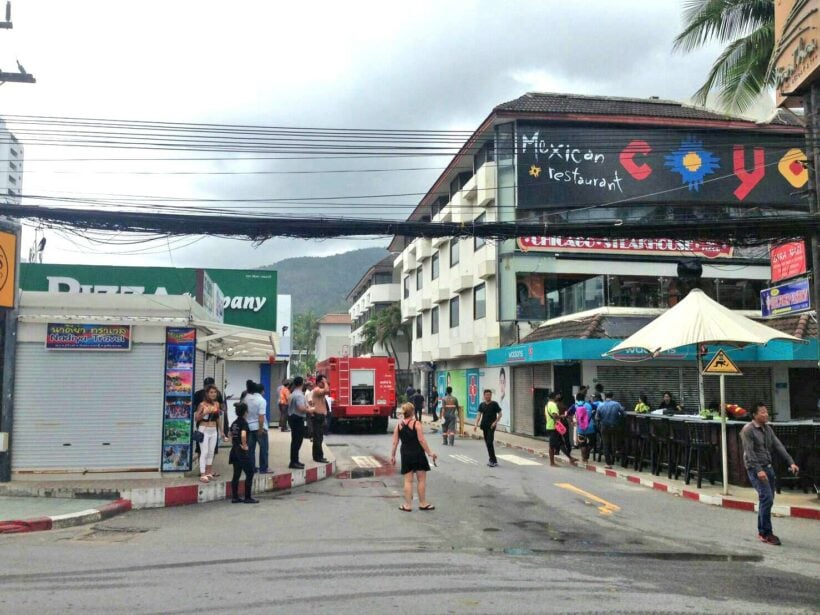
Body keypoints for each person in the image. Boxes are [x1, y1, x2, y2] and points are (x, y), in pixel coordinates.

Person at [740, 403, 799, 546]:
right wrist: (759, 470)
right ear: (754, 415)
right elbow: (749, 452)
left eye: (766, 412)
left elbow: (778, 446)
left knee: (768, 499)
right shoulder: (747, 430)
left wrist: (790, 462)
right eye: (762, 412)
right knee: (766, 498)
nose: (766, 414)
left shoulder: (767, 429)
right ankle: (767, 533)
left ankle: (762, 531)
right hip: (756, 468)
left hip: (768, 466)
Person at [390, 402, 437, 512]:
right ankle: (423, 503)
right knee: (421, 480)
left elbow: (395, 442)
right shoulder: (416, 423)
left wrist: (392, 456)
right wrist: (429, 453)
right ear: (412, 412)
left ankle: (407, 505)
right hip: (418, 453)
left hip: (405, 454)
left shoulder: (398, 425)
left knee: (408, 481)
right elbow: (421, 440)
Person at [228, 402, 257, 504]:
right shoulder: (244, 423)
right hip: (240, 451)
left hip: (234, 450)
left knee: (236, 474)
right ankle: (247, 497)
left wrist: (235, 442)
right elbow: (243, 434)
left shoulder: (234, 423)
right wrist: (244, 445)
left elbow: (230, 434)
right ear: (246, 412)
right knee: (250, 472)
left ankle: (235, 497)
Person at [194, 384, 221, 483]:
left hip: (214, 430)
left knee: (211, 452)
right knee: (204, 452)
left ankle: (209, 472)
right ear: (207, 394)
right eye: (211, 392)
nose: (213, 394)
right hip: (204, 429)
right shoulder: (202, 404)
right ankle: (202, 474)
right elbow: (196, 418)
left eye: (215, 392)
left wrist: (222, 431)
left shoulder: (217, 404)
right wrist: (205, 413)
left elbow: (218, 418)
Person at [545, 392, 578, 466]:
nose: (558, 397)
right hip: (553, 427)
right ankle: (552, 463)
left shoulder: (548, 404)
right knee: (552, 445)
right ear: (554, 397)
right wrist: (563, 416)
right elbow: (555, 416)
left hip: (552, 426)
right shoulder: (553, 405)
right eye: (557, 395)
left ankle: (570, 458)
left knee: (561, 444)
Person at [244, 380, 268, 474]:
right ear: (261, 391)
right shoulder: (261, 400)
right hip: (259, 427)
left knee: (250, 450)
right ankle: (263, 468)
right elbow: (261, 417)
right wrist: (261, 429)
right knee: (263, 449)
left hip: (249, 427)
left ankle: (251, 468)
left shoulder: (247, 398)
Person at [474, 389, 502, 467]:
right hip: (484, 426)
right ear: (484, 396)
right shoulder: (482, 405)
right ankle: (494, 460)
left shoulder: (494, 404)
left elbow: (500, 414)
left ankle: (492, 460)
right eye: (486, 395)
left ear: (491, 395)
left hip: (491, 426)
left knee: (489, 442)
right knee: (487, 443)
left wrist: (495, 422)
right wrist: (476, 424)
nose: (488, 396)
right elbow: (479, 415)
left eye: (489, 395)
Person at [597, 392, 625, 468]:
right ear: (612, 396)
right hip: (614, 426)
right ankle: (614, 458)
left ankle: (608, 463)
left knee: (606, 444)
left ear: (605, 397)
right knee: (614, 442)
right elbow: (623, 414)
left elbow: (597, 417)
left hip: (604, 427)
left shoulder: (601, 405)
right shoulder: (617, 404)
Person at [309, 374, 330, 464]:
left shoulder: (319, 391)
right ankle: (318, 457)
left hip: (320, 416)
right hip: (317, 416)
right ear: (318, 382)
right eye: (322, 382)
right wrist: (325, 382)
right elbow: (327, 390)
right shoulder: (317, 390)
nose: (324, 383)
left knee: (319, 437)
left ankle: (317, 456)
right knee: (317, 437)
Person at [287, 376, 307, 469]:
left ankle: (295, 460)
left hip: (293, 418)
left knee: (295, 441)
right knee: (297, 441)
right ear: (302, 383)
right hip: (297, 419)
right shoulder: (299, 395)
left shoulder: (293, 393)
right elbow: (301, 408)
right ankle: (293, 462)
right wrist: (310, 410)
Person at [573, 393, 594, 462]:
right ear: (584, 398)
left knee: (582, 444)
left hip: (581, 428)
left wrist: (572, 421)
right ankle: (587, 455)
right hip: (590, 427)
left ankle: (584, 458)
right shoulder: (589, 404)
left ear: (577, 399)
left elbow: (567, 413)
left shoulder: (575, 406)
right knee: (591, 443)